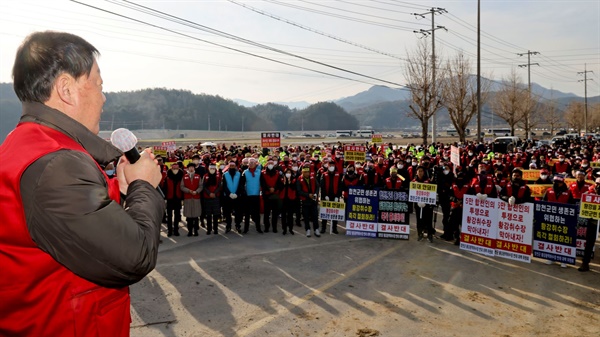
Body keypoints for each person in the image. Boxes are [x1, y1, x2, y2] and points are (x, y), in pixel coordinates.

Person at [0, 31, 164, 336]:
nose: (103, 98)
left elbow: (78, 222)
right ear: (67, 89)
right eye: (99, 85)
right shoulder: (56, 164)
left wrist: (122, 188)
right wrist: (144, 186)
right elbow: (134, 255)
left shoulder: (29, 145)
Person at [580, 178, 600, 272]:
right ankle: (585, 263)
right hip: (592, 221)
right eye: (597, 183)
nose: (598, 185)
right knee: (589, 242)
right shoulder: (589, 192)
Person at [320, 161, 343, 234]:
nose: (332, 167)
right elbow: (322, 186)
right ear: (328, 166)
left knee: (335, 213)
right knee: (325, 213)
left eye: (333, 165)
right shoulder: (324, 174)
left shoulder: (338, 175)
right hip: (326, 196)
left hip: (335, 197)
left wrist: (338, 196)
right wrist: (324, 195)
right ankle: (323, 228)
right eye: (330, 165)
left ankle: (334, 228)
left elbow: (340, 186)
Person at [297, 165, 321, 237]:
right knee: (306, 216)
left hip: (313, 200)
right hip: (305, 201)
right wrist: (308, 195)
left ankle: (316, 229)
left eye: (308, 172)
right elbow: (299, 191)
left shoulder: (313, 178)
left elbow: (317, 187)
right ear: (302, 172)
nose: (307, 173)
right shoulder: (299, 179)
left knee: (315, 216)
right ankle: (308, 230)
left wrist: (316, 194)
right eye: (305, 172)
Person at [261, 159, 284, 233]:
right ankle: (266, 227)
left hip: (275, 195)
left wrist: (274, 189)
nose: (270, 165)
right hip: (266, 195)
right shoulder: (263, 173)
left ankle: (274, 227)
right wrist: (268, 189)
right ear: (267, 165)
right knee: (266, 213)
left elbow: (280, 184)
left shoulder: (277, 173)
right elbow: (262, 183)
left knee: (275, 213)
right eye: (269, 163)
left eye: (271, 163)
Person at [413, 166, 435, 243]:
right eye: (419, 171)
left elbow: (432, 192)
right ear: (416, 172)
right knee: (419, 220)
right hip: (418, 204)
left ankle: (429, 235)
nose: (420, 172)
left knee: (428, 219)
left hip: (427, 204)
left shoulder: (428, 181)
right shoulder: (414, 181)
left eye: (422, 171)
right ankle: (420, 234)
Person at [241, 157, 262, 234]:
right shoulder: (245, 172)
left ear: (255, 164)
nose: (251, 164)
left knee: (257, 213)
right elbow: (242, 184)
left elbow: (262, 183)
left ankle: (258, 228)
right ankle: (246, 229)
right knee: (247, 214)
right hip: (248, 196)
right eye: (250, 163)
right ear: (248, 164)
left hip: (256, 195)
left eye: (253, 163)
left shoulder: (259, 172)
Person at [181, 162, 203, 236]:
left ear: (194, 168)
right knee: (189, 216)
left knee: (196, 216)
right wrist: (189, 191)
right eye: (190, 167)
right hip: (188, 198)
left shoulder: (198, 176)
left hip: (196, 197)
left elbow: (201, 186)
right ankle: (190, 230)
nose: (191, 169)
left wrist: (196, 192)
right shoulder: (184, 177)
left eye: (192, 167)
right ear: (187, 168)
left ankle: (196, 230)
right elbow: (182, 186)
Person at [222, 161, 243, 233]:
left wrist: (237, 193)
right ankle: (228, 226)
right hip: (228, 197)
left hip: (237, 196)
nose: (232, 167)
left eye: (233, 166)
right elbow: (224, 186)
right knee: (227, 213)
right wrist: (229, 194)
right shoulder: (225, 174)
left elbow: (241, 185)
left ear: (235, 166)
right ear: (228, 166)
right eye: (230, 166)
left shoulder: (239, 174)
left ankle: (238, 225)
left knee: (238, 212)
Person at [165, 163, 184, 236]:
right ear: (171, 169)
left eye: (176, 169)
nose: (175, 170)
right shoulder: (167, 178)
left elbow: (182, 188)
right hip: (170, 198)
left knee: (177, 215)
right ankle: (169, 230)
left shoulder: (181, 177)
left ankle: (176, 229)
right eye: (174, 169)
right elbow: (165, 189)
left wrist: (182, 199)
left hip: (178, 198)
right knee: (169, 215)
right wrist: (165, 198)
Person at [203, 162, 222, 235]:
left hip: (215, 197)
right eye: (211, 168)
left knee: (215, 214)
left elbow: (220, 186)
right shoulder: (205, 176)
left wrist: (214, 193)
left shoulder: (218, 176)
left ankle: (216, 229)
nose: (212, 169)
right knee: (208, 215)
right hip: (207, 197)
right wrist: (209, 193)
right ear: (208, 168)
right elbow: (204, 186)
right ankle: (209, 229)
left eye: (213, 168)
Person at [281, 167, 298, 235]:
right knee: (283, 215)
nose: (288, 174)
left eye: (289, 173)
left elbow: (294, 188)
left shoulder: (294, 180)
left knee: (290, 215)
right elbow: (280, 188)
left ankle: (290, 229)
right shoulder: (282, 180)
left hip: (291, 199)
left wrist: (290, 182)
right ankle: (284, 229)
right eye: (287, 173)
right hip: (283, 199)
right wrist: (285, 183)